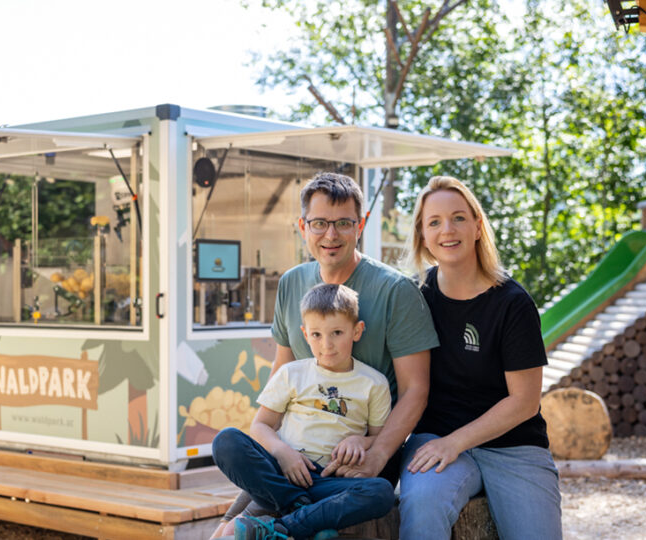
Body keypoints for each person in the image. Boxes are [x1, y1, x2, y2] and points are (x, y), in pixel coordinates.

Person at [211, 171, 438, 538]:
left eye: (343, 223)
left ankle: (279, 525)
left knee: (376, 494)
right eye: (319, 223)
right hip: (295, 455)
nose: (330, 235)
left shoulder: (396, 291)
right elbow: (282, 368)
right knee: (227, 482)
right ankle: (297, 516)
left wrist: (377, 454)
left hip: (356, 459)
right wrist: (278, 448)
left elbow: (416, 391)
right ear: (303, 226)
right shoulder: (291, 283)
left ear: (360, 225)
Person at [398, 176, 562, 540]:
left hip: (514, 446)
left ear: (477, 226)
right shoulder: (414, 298)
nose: (447, 230)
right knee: (421, 511)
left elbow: (525, 401)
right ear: (423, 235)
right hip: (435, 440)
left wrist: (457, 441)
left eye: (458, 218)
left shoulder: (512, 303)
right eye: (434, 222)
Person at [212, 283, 396, 540]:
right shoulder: (292, 373)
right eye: (317, 335)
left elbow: (380, 437)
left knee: (381, 492)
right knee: (226, 440)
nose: (327, 345)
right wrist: (284, 453)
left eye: (337, 333)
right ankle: (304, 515)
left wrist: (360, 440)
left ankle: (285, 527)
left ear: (357, 331)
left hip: (329, 480)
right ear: (305, 334)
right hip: (282, 474)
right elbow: (260, 425)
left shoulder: (373, 382)